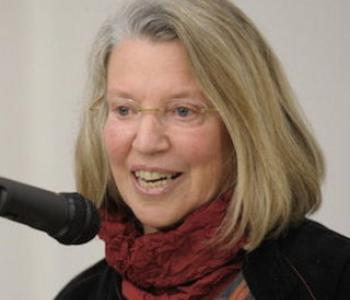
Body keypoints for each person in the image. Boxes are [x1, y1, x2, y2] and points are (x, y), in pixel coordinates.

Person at [55, 0, 350, 299]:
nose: (145, 141)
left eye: (183, 111)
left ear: (245, 128)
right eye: (124, 109)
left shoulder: (335, 278)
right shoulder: (79, 295)